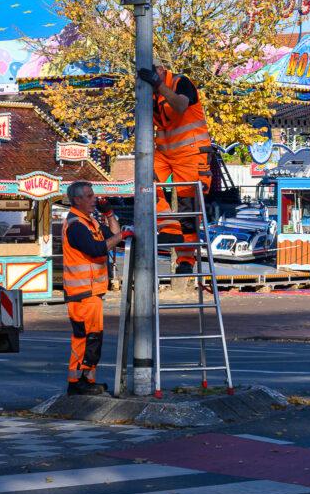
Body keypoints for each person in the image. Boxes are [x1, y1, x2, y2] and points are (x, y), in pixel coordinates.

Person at [138, 63, 212, 274]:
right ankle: (170, 228)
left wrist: (157, 84)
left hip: (191, 153)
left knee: (188, 208)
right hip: (164, 153)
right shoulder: (149, 94)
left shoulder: (181, 82)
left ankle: (186, 260)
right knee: (146, 185)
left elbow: (180, 106)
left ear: (161, 70)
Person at [62, 181, 129, 395]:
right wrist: (123, 236)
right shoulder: (76, 225)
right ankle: (78, 383)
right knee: (88, 339)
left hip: (90, 292)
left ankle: (86, 381)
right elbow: (97, 249)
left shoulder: (88, 222)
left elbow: (112, 238)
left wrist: (109, 214)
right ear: (77, 200)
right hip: (82, 294)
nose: (94, 200)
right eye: (90, 196)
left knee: (89, 339)